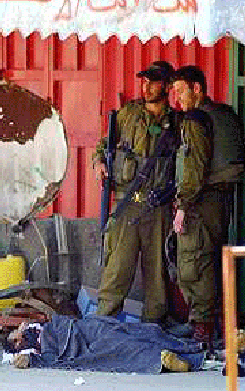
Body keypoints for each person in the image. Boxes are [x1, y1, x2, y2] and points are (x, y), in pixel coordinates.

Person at [93, 61, 179, 324]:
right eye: (144, 81)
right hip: (127, 203)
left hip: (158, 206)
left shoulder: (177, 122)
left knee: (157, 273)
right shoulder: (128, 114)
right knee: (117, 266)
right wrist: (98, 163)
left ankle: (154, 327)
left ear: (166, 86)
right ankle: (104, 323)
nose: (147, 86)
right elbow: (103, 145)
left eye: (153, 81)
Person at [171, 65, 245, 344]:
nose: (177, 99)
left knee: (193, 261)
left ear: (197, 89)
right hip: (221, 199)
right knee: (213, 258)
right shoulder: (225, 114)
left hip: (200, 201)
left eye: (180, 91)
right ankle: (223, 324)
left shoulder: (196, 120)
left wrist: (182, 206)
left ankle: (201, 329)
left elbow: (194, 167)